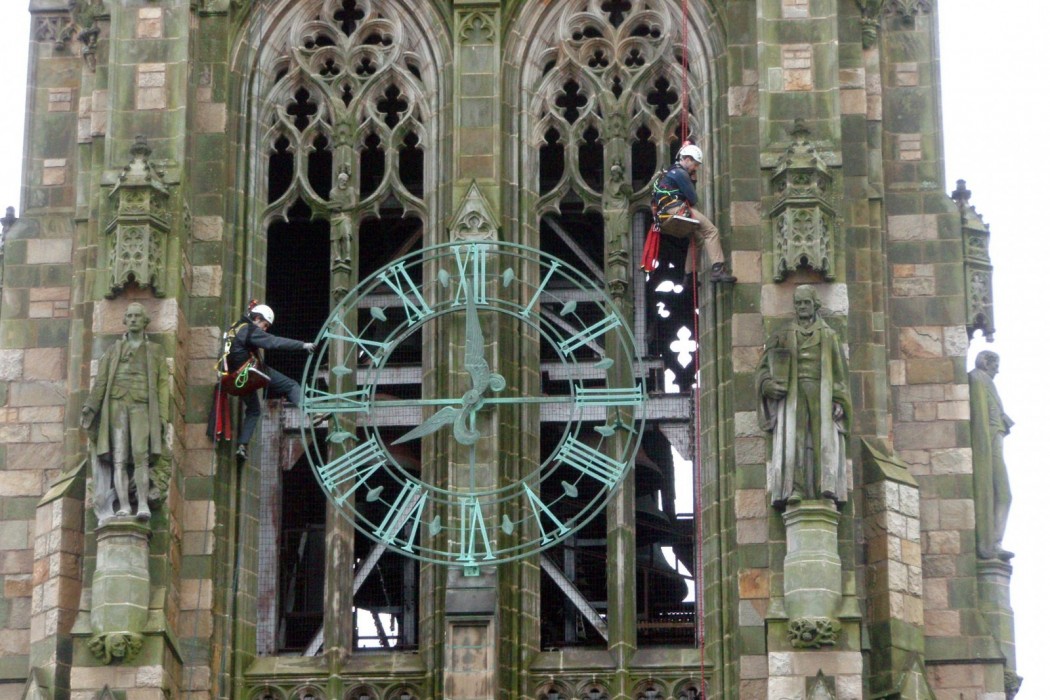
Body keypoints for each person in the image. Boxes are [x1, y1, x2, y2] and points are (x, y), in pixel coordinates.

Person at [756, 285, 851, 507]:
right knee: (795, 439)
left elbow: (839, 374)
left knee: (822, 438)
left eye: (806, 302)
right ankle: (795, 487)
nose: (802, 307)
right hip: (793, 394)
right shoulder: (783, 335)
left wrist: (839, 400)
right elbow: (763, 368)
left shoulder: (829, 335)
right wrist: (767, 384)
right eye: (798, 303)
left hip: (821, 392)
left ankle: (824, 485)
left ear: (815, 304)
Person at [81, 302, 169, 520]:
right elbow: (101, 381)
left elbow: (162, 385)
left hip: (142, 405)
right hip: (117, 404)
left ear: (144, 320)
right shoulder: (113, 350)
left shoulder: (155, 351)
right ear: (125, 320)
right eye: (129, 316)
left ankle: (142, 504)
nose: (133, 319)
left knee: (141, 455)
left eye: (137, 316)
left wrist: (162, 416)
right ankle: (124, 506)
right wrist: (90, 406)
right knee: (119, 458)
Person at [226, 303, 316, 459]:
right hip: (249, 372)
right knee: (291, 385)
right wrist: (303, 345)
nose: (265, 329)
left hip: (235, 378)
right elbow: (274, 342)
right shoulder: (249, 329)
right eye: (265, 324)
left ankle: (242, 446)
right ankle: (313, 413)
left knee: (254, 410)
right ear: (256, 318)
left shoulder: (234, 329)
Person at [652, 143, 736, 284]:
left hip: (664, 215)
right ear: (687, 159)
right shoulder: (681, 173)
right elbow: (693, 199)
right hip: (676, 210)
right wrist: (692, 181)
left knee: (698, 238)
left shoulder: (669, 172)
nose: (695, 168)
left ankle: (689, 276)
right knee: (711, 231)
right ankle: (718, 269)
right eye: (695, 164)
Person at [969, 350, 1014, 561]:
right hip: (988, 447)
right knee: (1002, 493)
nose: (998, 370)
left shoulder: (987, 381)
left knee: (1005, 495)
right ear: (986, 363)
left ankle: (996, 542)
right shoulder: (977, 378)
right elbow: (979, 417)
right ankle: (990, 544)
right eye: (996, 366)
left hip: (996, 444)